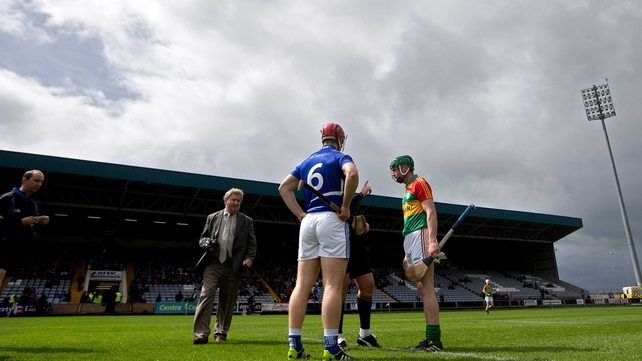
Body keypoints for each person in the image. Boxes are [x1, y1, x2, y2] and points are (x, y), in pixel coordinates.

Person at [279, 122, 359, 360]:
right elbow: (352, 174)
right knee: (332, 285)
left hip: (309, 221)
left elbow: (284, 188)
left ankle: (294, 346)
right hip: (331, 220)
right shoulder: (340, 156)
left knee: (302, 285)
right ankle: (332, 347)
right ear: (340, 139)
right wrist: (345, 205)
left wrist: (300, 214)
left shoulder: (306, 161)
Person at [389, 155, 443, 352]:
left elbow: (431, 212)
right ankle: (430, 339)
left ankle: (434, 340)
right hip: (411, 238)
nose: (393, 173)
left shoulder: (419, 183)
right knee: (422, 288)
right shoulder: (406, 190)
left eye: (396, 169)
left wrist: (432, 240)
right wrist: (407, 253)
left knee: (426, 288)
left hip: (421, 233)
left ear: (406, 167)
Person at [193, 188, 257, 344]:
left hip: (233, 266)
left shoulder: (246, 221)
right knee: (206, 295)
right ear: (225, 201)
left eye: (238, 201)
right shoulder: (213, 217)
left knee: (227, 301)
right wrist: (206, 243)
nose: (235, 203)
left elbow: (252, 244)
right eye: (233, 200)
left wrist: (249, 258)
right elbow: (202, 238)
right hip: (213, 263)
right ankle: (201, 334)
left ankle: (221, 332)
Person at [337, 180, 382, 351]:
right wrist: (361, 195)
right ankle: (338, 336)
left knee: (368, 284)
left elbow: (350, 206)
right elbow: (341, 208)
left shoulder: (349, 192)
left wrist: (360, 223)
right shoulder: (332, 187)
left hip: (354, 242)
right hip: (339, 240)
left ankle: (365, 334)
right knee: (341, 288)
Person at [0, 170, 50, 245]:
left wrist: (40, 222)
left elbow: (29, 228)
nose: (39, 184)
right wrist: (20, 222)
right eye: (36, 181)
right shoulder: (7, 198)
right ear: (24, 180)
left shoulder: (33, 205)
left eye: (41, 182)